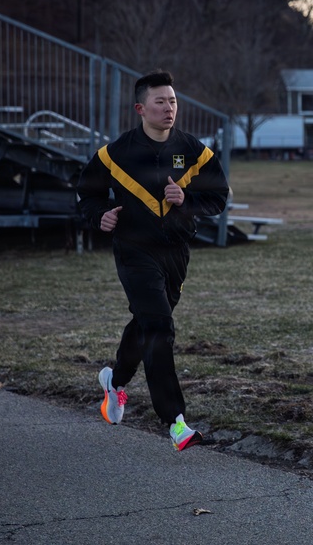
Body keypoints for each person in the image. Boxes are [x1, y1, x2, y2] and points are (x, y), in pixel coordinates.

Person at [77, 70, 230, 451]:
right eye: (160, 101)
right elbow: (87, 193)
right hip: (134, 251)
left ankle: (115, 381)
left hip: (176, 252)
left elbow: (219, 197)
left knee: (148, 323)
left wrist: (187, 202)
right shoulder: (115, 153)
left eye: (173, 101)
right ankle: (175, 422)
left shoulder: (195, 151)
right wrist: (100, 216)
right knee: (160, 326)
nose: (169, 108)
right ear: (140, 108)